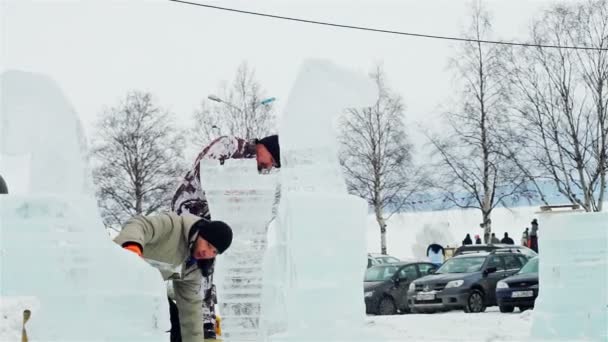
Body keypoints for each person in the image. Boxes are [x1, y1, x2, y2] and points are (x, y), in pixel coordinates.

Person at [170, 134, 281, 340]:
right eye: (272, 161)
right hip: (191, 208)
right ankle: (199, 322)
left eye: (273, 166)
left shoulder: (252, 171)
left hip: (213, 218)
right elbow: (204, 169)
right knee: (198, 266)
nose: (268, 167)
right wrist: (230, 191)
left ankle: (206, 322)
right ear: (263, 146)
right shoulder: (231, 145)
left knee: (210, 269)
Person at [114, 212, 233, 342]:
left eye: (214, 252)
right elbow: (141, 224)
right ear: (199, 234)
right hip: (114, 275)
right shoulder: (173, 225)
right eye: (208, 245)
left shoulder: (194, 268)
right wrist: (132, 247)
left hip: (142, 290)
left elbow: (191, 310)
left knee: (173, 322)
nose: (207, 253)